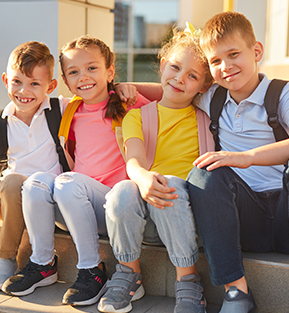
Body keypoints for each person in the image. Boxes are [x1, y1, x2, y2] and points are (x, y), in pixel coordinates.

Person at [2, 36, 149, 305]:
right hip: (70, 207)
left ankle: (92, 269)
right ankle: (43, 263)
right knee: (34, 183)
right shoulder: (70, 110)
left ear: (110, 71)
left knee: (67, 182)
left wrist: (132, 87)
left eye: (92, 68)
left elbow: (172, 97)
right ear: (66, 82)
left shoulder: (129, 104)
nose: (83, 77)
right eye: (74, 72)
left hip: (114, 208)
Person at [98, 25, 214, 313]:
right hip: (142, 219)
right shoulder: (136, 117)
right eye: (174, 67)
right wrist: (142, 177)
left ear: (204, 86)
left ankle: (188, 280)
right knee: (122, 189)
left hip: (187, 219)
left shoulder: (208, 118)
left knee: (171, 182)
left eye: (193, 76)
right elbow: (133, 160)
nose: (179, 79)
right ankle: (128, 273)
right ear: (163, 66)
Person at [185, 11, 289, 313]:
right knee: (203, 172)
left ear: (256, 51)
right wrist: (125, 88)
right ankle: (236, 292)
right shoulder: (213, 98)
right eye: (215, 61)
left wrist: (245, 158)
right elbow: (172, 88)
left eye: (233, 55)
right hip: (247, 219)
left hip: (286, 211)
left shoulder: (281, 94)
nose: (225, 67)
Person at [0, 41, 70, 288]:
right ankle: (6, 258)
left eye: (34, 84)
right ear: (6, 80)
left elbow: (99, 96)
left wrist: (125, 87)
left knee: (25, 184)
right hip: (14, 197)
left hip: (50, 197)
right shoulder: (4, 121)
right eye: (17, 81)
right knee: (9, 181)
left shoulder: (60, 109)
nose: (24, 91)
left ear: (50, 86)